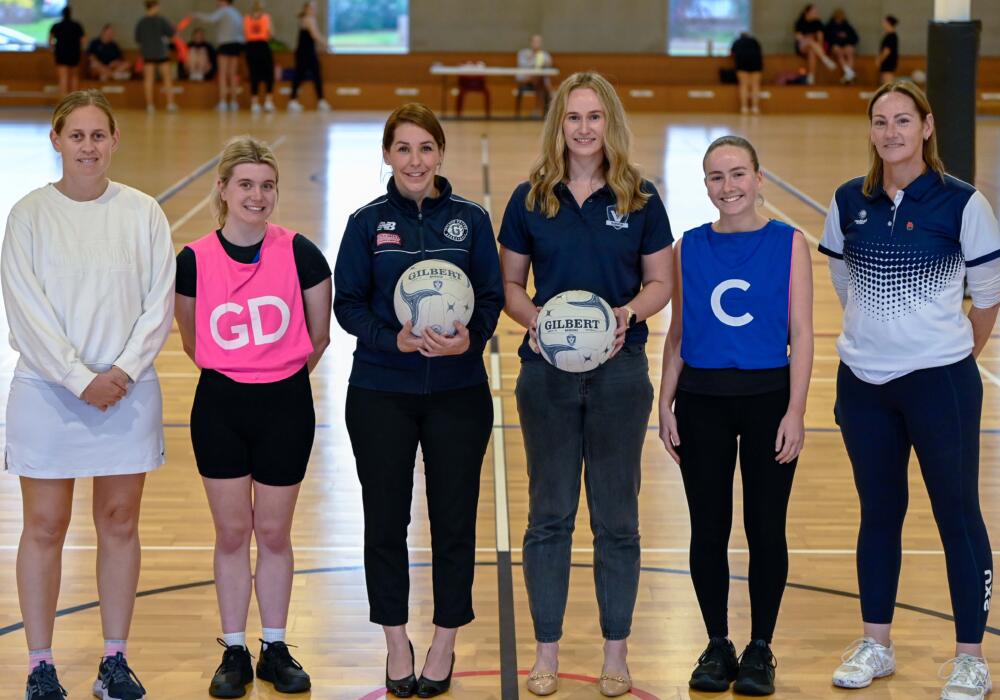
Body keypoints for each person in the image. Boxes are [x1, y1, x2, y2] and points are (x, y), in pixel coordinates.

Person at [819, 80, 1000, 700]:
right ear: (870, 130)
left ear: (926, 127)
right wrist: (882, 342)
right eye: (879, 121)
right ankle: (877, 644)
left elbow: (989, 296)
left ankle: (971, 657)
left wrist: (944, 355)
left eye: (903, 120)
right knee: (879, 514)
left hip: (941, 385)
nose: (890, 132)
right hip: (863, 384)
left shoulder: (963, 203)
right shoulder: (848, 201)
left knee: (957, 515)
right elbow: (844, 282)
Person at [498, 71, 673, 697]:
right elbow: (511, 288)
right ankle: (546, 653)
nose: (584, 128)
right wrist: (537, 320)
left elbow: (660, 283)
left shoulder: (640, 197)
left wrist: (625, 315)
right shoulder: (530, 197)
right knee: (549, 515)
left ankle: (615, 653)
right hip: (546, 371)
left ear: (610, 123)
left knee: (617, 519)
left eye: (595, 117)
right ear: (559, 125)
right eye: (573, 118)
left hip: (620, 371)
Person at [1, 89, 175, 700]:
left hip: (126, 394)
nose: (88, 147)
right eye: (76, 136)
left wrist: (121, 373)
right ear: (55, 141)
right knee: (44, 526)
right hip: (48, 395)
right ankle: (41, 665)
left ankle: (114, 661)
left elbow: (159, 305)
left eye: (98, 135)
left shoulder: (144, 212)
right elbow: (25, 312)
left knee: (120, 523)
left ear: (115, 140)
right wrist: (79, 379)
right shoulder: (28, 215)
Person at [333, 102, 503, 698]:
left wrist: (470, 341)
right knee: (385, 521)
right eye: (402, 148)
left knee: (455, 523)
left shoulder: (471, 221)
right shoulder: (365, 223)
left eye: (425, 148)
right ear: (386, 155)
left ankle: (445, 642)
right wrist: (393, 338)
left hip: (458, 394)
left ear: (440, 153)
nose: (414, 160)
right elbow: (347, 303)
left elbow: (491, 296)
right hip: (381, 391)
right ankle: (395, 640)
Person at [174, 135, 331, 698]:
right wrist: (238, 368)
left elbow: (320, 335)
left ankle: (277, 646)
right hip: (220, 404)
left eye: (267, 186)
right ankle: (234, 648)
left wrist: (275, 371)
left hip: (285, 403)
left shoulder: (300, 252)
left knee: (273, 530)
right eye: (245, 184)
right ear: (222, 189)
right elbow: (192, 339)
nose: (257, 196)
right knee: (233, 530)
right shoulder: (192, 259)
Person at [659, 135, 813, 696]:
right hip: (701, 402)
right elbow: (678, 334)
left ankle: (761, 648)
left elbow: (801, 334)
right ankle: (718, 643)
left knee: (765, 527)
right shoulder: (689, 246)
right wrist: (664, 403)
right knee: (709, 527)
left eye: (738, 174)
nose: (728, 187)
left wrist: (796, 411)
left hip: (769, 398)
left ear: (759, 177)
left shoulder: (790, 243)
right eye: (716, 177)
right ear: (705, 186)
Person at [194, 0, 245, 111]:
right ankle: (233, 102)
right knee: (232, 74)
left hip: (225, 44)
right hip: (237, 45)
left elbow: (211, 18)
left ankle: (223, 102)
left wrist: (196, 15)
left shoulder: (223, 10)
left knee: (222, 74)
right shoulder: (236, 12)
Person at [134, 0, 178, 113]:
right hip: (162, 53)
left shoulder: (141, 22)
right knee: (167, 78)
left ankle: (150, 106)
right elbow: (172, 35)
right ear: (154, 6)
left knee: (148, 79)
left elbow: (138, 39)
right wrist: (173, 28)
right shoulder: (162, 20)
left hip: (147, 54)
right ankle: (170, 104)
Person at [288, 1, 330, 112]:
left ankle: (320, 101)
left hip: (308, 52)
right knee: (300, 75)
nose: (314, 10)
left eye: (315, 8)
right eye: (312, 8)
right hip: (304, 53)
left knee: (315, 74)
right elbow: (315, 35)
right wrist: (326, 44)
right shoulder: (308, 19)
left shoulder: (307, 19)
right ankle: (293, 101)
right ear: (307, 9)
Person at [794, 3, 848, 85]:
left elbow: (820, 39)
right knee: (810, 41)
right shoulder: (800, 22)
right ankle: (825, 58)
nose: (816, 13)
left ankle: (811, 77)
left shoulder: (817, 23)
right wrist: (809, 39)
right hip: (802, 46)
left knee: (812, 52)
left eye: (816, 11)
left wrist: (816, 44)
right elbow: (799, 37)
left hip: (815, 48)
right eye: (814, 11)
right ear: (807, 12)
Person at [243, 1, 275, 113]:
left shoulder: (260, 18)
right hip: (258, 47)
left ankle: (259, 103)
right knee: (262, 74)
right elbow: (272, 34)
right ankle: (263, 102)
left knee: (260, 74)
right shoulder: (262, 18)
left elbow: (271, 34)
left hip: (256, 47)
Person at [48, 6, 85, 96]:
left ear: (62, 14)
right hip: (74, 53)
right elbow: (84, 40)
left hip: (61, 54)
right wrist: (79, 48)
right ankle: (74, 101)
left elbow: (50, 40)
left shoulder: (56, 26)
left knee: (63, 77)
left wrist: (53, 48)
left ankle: (63, 100)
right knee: (74, 77)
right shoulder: (77, 25)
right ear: (71, 13)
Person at [515, 34, 553, 116]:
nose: (536, 43)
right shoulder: (523, 53)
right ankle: (547, 108)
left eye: (538, 41)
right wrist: (533, 59)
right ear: (530, 42)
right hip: (525, 80)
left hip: (539, 82)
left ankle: (537, 109)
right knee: (542, 82)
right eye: (534, 41)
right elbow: (521, 65)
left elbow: (549, 67)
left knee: (540, 79)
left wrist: (545, 64)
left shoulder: (545, 55)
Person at [730, 32, 763, 114]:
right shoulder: (754, 41)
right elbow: (760, 51)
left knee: (743, 85)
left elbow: (731, 53)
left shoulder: (737, 41)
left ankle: (744, 107)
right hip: (756, 63)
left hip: (742, 63)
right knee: (755, 85)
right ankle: (755, 107)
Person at [826, 9, 859, 83]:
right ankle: (849, 72)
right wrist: (837, 39)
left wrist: (846, 37)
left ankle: (848, 74)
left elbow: (855, 38)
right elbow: (828, 38)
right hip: (835, 47)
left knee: (850, 50)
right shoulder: (830, 26)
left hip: (846, 45)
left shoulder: (847, 26)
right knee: (838, 51)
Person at [877, 15, 899, 85]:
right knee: (884, 81)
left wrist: (880, 59)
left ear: (888, 23)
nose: (882, 24)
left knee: (888, 83)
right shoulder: (889, 35)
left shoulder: (891, 36)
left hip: (889, 61)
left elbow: (887, 51)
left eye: (884, 22)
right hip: (886, 62)